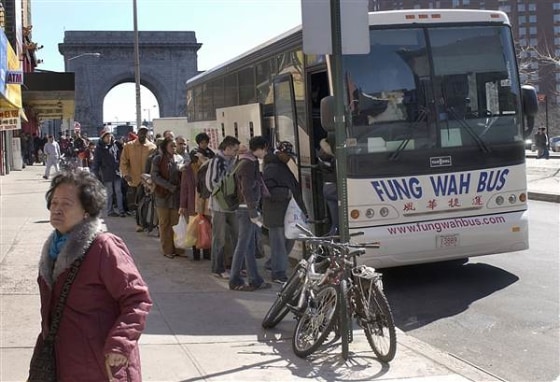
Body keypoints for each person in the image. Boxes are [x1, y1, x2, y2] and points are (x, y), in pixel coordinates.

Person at [30, 170, 152, 381]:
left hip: (100, 366)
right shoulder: (52, 249)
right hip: (61, 364)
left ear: (87, 211)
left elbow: (137, 298)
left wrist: (120, 342)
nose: (57, 209)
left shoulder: (103, 247)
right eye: (54, 202)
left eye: (66, 204)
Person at [229, 136, 271, 291]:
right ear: (261, 148)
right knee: (242, 245)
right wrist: (253, 211)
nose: (265, 152)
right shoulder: (248, 163)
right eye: (265, 149)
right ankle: (235, 280)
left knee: (249, 246)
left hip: (246, 208)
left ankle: (255, 279)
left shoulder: (246, 161)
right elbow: (246, 188)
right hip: (246, 209)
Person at [263, 141, 308, 283]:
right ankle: (278, 273)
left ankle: (273, 265)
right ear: (280, 153)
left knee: (288, 241)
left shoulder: (283, 166)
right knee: (279, 244)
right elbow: (267, 190)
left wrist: (303, 210)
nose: (290, 158)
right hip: (276, 212)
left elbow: (296, 191)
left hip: (286, 211)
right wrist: (286, 193)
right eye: (287, 155)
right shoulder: (271, 168)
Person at [206, 136, 240, 278]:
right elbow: (211, 183)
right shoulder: (216, 161)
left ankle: (235, 264)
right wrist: (223, 192)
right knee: (219, 237)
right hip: (219, 205)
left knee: (237, 234)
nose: (236, 152)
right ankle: (218, 268)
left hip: (232, 204)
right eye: (234, 149)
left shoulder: (234, 161)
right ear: (226, 148)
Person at [120, 126, 157, 231]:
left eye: (145, 133)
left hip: (147, 182)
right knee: (136, 204)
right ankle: (139, 223)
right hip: (134, 180)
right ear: (137, 133)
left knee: (145, 203)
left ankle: (144, 223)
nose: (142, 135)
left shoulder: (152, 147)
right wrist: (125, 174)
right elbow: (123, 161)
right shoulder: (129, 146)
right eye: (141, 132)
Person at [151, 137, 183, 258]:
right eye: (172, 146)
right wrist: (169, 186)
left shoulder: (178, 159)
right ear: (165, 147)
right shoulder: (158, 159)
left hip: (175, 196)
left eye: (175, 146)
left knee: (175, 222)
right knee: (164, 223)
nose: (174, 148)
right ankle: (167, 250)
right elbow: (155, 176)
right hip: (162, 195)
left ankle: (178, 248)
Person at [188, 132, 215, 261]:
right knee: (197, 222)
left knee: (208, 222)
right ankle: (196, 252)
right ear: (199, 142)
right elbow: (194, 169)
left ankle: (207, 251)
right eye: (203, 142)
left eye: (206, 142)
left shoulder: (211, 153)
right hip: (198, 190)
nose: (205, 144)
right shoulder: (194, 153)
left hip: (208, 190)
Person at [93, 128, 126, 217]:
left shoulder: (115, 145)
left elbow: (120, 154)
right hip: (106, 173)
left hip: (116, 172)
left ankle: (121, 210)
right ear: (103, 138)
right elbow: (96, 163)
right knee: (110, 193)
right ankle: (110, 211)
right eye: (107, 137)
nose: (109, 138)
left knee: (119, 192)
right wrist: (96, 175)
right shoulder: (99, 148)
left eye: (110, 136)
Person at [318, 136, 338, 235]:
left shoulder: (321, 156)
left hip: (327, 188)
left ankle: (332, 237)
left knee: (335, 219)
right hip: (334, 188)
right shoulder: (331, 158)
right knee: (338, 220)